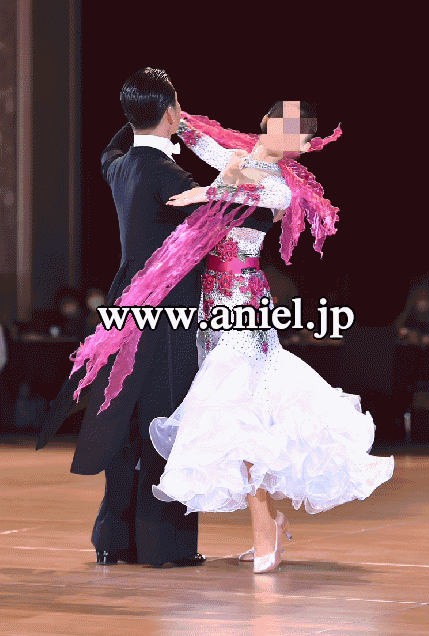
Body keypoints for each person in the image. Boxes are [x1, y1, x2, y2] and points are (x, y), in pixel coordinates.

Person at [142, 101, 395, 573]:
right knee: (243, 412)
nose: (296, 139)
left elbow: (255, 195)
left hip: (245, 301)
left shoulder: (280, 184)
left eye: (304, 136)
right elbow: (201, 142)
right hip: (212, 302)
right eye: (291, 127)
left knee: (237, 413)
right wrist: (175, 112)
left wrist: (204, 192)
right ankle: (271, 523)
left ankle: (265, 532)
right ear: (268, 123)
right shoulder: (236, 159)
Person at [37, 68, 230, 567]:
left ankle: (114, 538)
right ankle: (162, 545)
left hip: (125, 305)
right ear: (171, 112)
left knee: (122, 419)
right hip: (167, 312)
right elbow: (224, 217)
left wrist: (140, 112)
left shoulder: (119, 167)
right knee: (164, 418)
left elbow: (112, 147)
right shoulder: (170, 176)